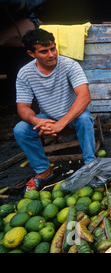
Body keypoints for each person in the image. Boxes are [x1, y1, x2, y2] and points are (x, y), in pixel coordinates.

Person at [14, 29, 96, 191]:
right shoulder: (25, 73)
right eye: (44, 51)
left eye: (53, 48)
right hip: (48, 117)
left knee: (85, 119)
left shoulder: (69, 65)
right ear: (32, 54)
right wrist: (36, 120)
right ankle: (44, 170)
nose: (51, 54)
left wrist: (61, 123)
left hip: (73, 115)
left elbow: (84, 97)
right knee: (21, 129)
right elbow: (23, 108)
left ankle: (90, 164)